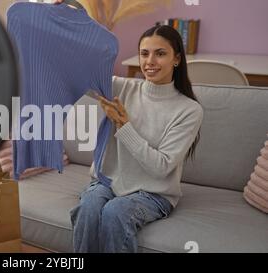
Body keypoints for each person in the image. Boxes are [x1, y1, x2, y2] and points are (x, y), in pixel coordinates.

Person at [54, 0, 203, 253]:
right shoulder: (122, 88)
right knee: (89, 208)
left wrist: (123, 125)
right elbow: (77, 72)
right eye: (145, 53)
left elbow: (161, 167)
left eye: (160, 53)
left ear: (177, 59)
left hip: (154, 193)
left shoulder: (189, 110)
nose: (150, 61)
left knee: (114, 212)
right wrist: (68, 25)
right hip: (108, 182)